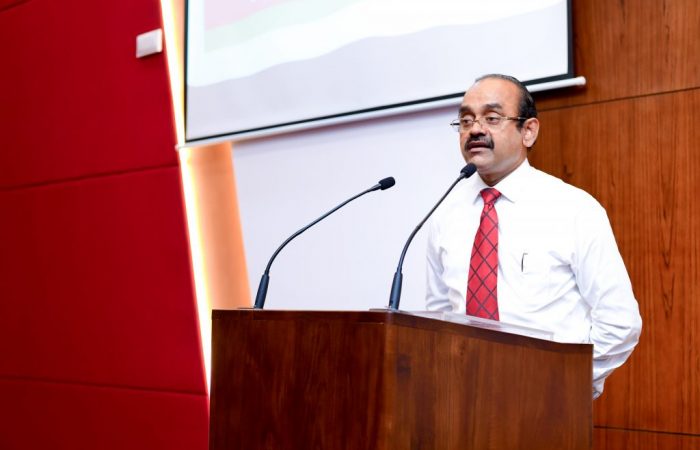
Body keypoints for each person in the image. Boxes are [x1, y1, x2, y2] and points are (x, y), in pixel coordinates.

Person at [425, 74, 642, 398]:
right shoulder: (445, 214)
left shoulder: (573, 209)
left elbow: (620, 321)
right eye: (466, 121)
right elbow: (439, 316)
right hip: (462, 400)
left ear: (528, 131)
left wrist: (563, 381)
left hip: (549, 402)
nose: (475, 130)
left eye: (492, 118)